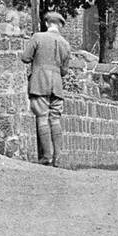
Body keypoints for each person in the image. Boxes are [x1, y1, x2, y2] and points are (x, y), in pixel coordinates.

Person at [21, 11, 73, 166]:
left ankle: (47, 156)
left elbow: (25, 58)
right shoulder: (65, 43)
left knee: (42, 117)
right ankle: (59, 157)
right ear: (60, 25)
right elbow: (64, 71)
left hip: (39, 83)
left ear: (46, 23)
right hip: (57, 85)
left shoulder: (37, 37)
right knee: (55, 119)